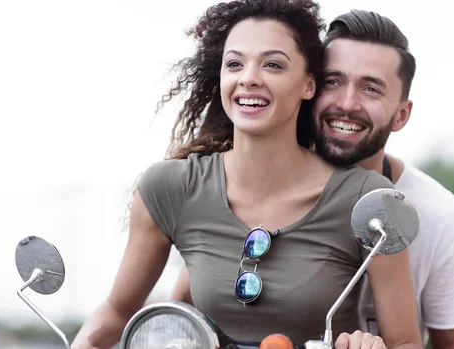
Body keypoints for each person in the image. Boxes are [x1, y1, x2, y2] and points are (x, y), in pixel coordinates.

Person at [71, 1, 421, 349]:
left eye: (272, 65)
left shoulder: (371, 201)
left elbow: (405, 342)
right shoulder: (169, 188)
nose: (249, 78)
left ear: (309, 85)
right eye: (235, 63)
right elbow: (116, 313)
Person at [171, 8, 454, 349]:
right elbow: (180, 310)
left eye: (371, 89)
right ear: (307, 86)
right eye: (333, 82)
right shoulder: (257, 192)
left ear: (401, 115)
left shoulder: (448, 224)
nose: (346, 103)